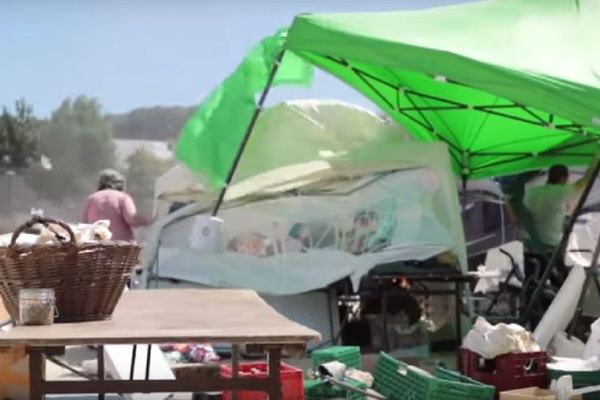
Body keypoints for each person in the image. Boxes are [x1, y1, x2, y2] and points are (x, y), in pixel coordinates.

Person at [523, 154, 599, 249]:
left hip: (529, 242)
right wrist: (595, 161)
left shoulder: (531, 191)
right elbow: (585, 180)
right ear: (563, 179)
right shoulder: (560, 191)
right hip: (548, 243)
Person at [82, 169, 150, 241]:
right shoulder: (123, 197)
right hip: (121, 247)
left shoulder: (91, 199)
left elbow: (85, 224)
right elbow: (132, 219)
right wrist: (149, 221)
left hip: (96, 246)